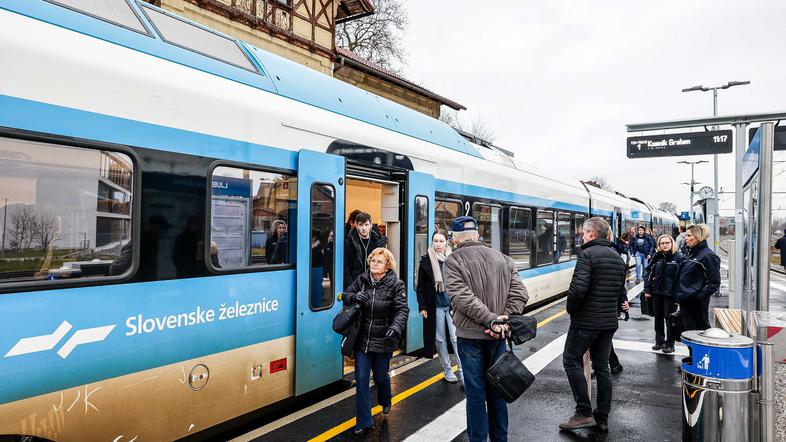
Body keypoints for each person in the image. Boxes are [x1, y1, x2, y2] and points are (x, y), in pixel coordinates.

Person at [444, 216, 529, 442]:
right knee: (498, 392)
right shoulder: (504, 259)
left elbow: (462, 298)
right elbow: (520, 294)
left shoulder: (453, 261)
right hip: (498, 338)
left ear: (454, 238)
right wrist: (502, 321)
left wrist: (492, 320)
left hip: (469, 338)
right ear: (477, 235)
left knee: (475, 394)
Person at [560, 217, 629, 433]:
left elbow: (578, 289)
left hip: (586, 321)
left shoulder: (587, 255)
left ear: (592, 233)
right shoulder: (617, 257)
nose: (582, 236)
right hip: (608, 322)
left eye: (584, 233)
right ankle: (602, 417)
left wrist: (572, 310)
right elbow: (620, 290)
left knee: (571, 360)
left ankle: (583, 413)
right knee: (602, 367)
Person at [343, 247, 409, 435]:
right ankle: (364, 421)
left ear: (387, 266)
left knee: (380, 377)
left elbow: (402, 310)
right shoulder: (362, 280)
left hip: (384, 339)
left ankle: (385, 399)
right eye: (372, 260)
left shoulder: (396, 284)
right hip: (362, 339)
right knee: (361, 378)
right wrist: (354, 296)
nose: (374, 263)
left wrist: (395, 328)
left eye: (379, 261)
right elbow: (345, 295)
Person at [417, 231, 463, 385]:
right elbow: (420, 287)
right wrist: (422, 306)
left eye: (441, 241)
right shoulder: (426, 260)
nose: (438, 244)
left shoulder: (454, 259)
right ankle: (447, 370)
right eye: (435, 241)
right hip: (434, 306)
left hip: (452, 306)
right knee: (440, 339)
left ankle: (463, 371)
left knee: (456, 338)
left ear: (446, 242)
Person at [674, 224, 720, 331]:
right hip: (685, 300)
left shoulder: (708, 256)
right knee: (687, 331)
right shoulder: (690, 253)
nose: (686, 238)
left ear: (698, 237)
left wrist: (698, 297)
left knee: (699, 331)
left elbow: (714, 283)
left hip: (696, 303)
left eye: (689, 236)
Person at [644, 235, 684, 353]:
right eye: (662, 243)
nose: (665, 245)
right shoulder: (657, 256)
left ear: (672, 243)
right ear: (659, 245)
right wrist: (647, 290)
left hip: (671, 294)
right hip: (657, 292)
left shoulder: (678, 257)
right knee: (658, 318)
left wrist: (678, 296)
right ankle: (659, 341)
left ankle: (670, 343)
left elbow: (681, 278)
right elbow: (648, 273)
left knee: (670, 319)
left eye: (667, 243)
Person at [344, 212, 388, 289]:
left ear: (371, 225)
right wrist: (351, 288)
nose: (363, 228)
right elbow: (346, 268)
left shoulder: (377, 241)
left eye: (366, 225)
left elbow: (384, 264)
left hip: (374, 284)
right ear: (356, 226)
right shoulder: (349, 243)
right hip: (356, 283)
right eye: (360, 225)